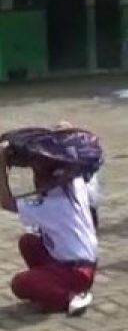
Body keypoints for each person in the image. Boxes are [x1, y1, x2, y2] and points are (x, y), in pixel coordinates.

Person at [0, 129, 99, 316]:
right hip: (77, 265)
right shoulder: (74, 183)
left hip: (77, 272)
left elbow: (6, 202)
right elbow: (72, 154)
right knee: (28, 242)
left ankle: (70, 296)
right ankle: (50, 286)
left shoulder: (53, 203)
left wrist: (1, 165)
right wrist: (60, 135)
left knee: (20, 283)